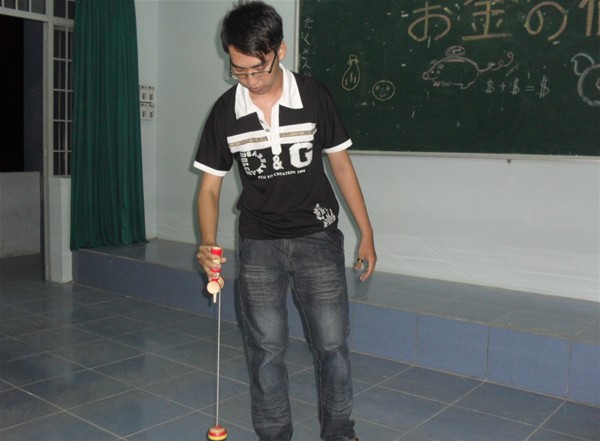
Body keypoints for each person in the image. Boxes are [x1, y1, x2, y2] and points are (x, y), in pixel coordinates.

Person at [194, 1, 376, 440]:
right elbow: (210, 188)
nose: (250, 80)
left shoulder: (313, 96)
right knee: (265, 350)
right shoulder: (225, 111)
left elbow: (342, 166)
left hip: (318, 237)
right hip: (259, 244)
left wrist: (366, 233)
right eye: (238, 71)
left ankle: (339, 432)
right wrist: (208, 242)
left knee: (332, 346)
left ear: (280, 51)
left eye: (258, 69)